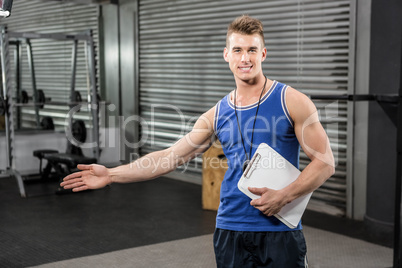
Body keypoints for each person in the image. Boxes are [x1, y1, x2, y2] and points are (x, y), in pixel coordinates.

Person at [61, 15, 335, 268]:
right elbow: (170, 157)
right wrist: (111, 174)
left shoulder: (292, 101)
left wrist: (284, 196)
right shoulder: (217, 114)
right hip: (230, 229)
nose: (245, 58)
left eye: (252, 50)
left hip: (279, 231)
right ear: (226, 55)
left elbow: (325, 163)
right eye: (238, 50)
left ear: (263, 54)